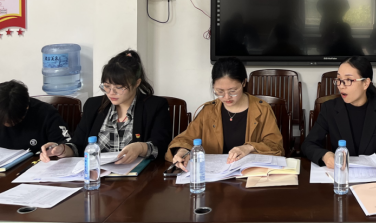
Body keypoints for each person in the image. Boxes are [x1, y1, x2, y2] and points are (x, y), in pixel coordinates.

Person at [39, 50, 171, 164]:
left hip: (139, 178)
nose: (111, 93)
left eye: (119, 87)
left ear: (137, 83)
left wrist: (141, 148)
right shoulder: (93, 105)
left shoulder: (155, 106)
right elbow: (77, 145)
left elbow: (161, 147)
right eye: (106, 86)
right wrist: (62, 149)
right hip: (98, 175)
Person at [166, 57, 284, 170]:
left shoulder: (262, 109)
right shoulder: (208, 110)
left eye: (233, 91)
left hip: (249, 176)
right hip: (214, 178)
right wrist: (182, 151)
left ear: (244, 82)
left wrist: (249, 148)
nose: (227, 97)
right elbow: (186, 138)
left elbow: (276, 146)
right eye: (220, 91)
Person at [302, 56, 376, 170]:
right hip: (341, 174)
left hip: (373, 176)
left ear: (366, 83)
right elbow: (308, 144)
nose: (341, 86)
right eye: (339, 79)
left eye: (348, 80)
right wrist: (325, 155)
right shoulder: (330, 108)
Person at [0, 80, 73, 151]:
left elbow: (66, 144)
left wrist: (57, 149)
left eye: (12, 120)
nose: (5, 123)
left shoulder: (47, 113)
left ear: (27, 107)